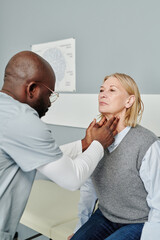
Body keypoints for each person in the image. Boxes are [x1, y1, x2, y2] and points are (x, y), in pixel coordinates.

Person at [0, 51, 119, 240]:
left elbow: (43, 156)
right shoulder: (22, 120)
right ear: (32, 89)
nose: (49, 102)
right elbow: (72, 179)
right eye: (50, 94)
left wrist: (85, 144)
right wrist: (98, 143)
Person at [70, 73, 160, 240]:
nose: (103, 94)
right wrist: (80, 228)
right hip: (105, 216)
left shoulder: (147, 142)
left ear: (129, 101)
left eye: (112, 90)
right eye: (101, 90)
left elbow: (158, 200)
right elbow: (88, 189)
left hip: (139, 221)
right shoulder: (95, 138)